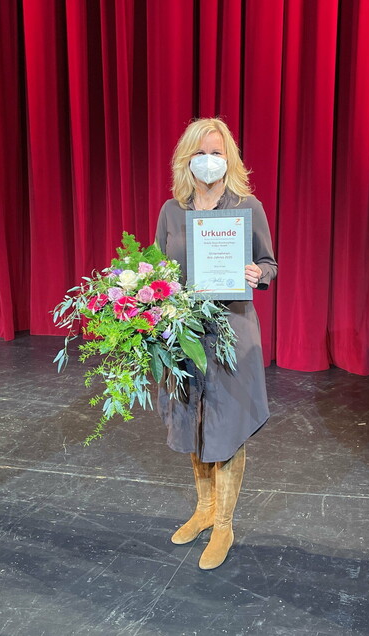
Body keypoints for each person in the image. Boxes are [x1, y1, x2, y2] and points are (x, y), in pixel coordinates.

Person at [154, 118, 277, 570]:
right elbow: (156, 269)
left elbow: (269, 263)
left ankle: (224, 523)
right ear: (188, 159)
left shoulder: (247, 206)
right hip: (183, 333)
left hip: (232, 332)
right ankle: (204, 509)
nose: (210, 160)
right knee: (192, 421)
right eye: (201, 153)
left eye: (218, 152)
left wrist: (256, 273)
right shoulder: (172, 210)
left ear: (230, 159)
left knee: (227, 426)